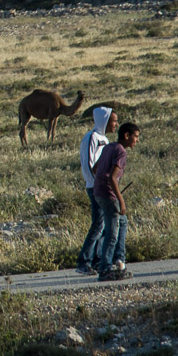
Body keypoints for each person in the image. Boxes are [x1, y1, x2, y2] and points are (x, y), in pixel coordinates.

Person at [93, 122, 141, 282]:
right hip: (108, 195)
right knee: (112, 233)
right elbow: (112, 178)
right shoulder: (121, 152)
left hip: (98, 192)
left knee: (123, 222)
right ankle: (105, 269)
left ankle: (120, 261)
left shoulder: (108, 147)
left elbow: (95, 168)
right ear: (126, 136)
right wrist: (121, 201)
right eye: (136, 136)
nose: (137, 140)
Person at [75, 107, 119, 275]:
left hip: (104, 187)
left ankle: (96, 259)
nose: (115, 124)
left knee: (103, 225)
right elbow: (88, 164)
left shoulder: (105, 140)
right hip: (95, 188)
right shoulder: (91, 137)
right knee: (98, 224)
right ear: (105, 120)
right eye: (113, 120)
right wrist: (96, 184)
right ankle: (83, 261)